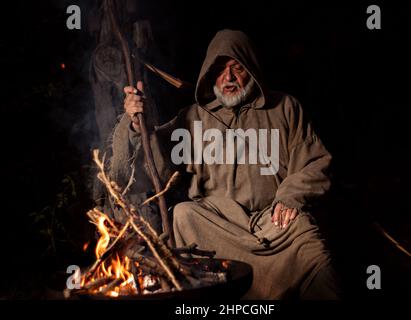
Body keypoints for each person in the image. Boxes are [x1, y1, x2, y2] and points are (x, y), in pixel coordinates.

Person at [109, 29, 341, 299]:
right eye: (219, 70)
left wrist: (290, 196)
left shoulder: (284, 108)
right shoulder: (193, 119)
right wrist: (137, 126)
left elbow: (315, 162)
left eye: (237, 68)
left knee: (317, 261)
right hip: (218, 226)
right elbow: (151, 172)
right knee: (184, 214)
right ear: (209, 75)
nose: (228, 77)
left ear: (251, 68)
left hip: (275, 224)